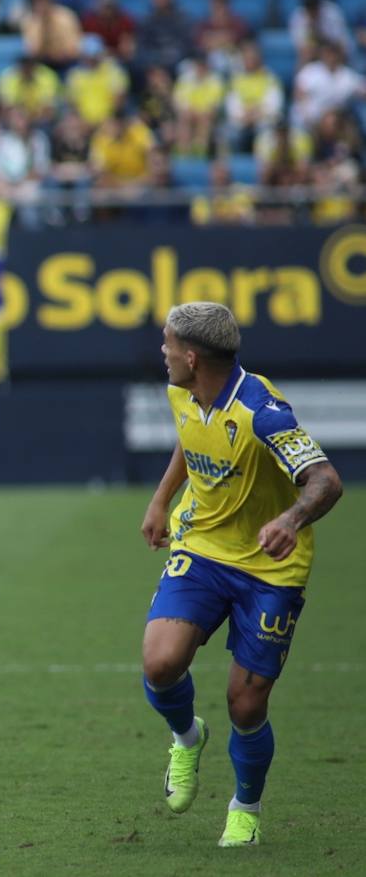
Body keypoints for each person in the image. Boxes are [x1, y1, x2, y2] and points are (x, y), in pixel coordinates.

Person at [138, 302, 343, 847]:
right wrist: (162, 501)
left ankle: (245, 808)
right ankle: (187, 737)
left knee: (246, 703)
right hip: (203, 546)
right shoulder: (185, 389)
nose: (161, 352)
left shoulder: (264, 411)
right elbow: (191, 433)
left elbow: (326, 481)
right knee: (161, 663)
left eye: (166, 344)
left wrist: (292, 518)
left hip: (270, 566)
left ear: (191, 355)